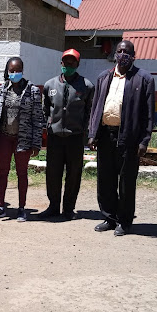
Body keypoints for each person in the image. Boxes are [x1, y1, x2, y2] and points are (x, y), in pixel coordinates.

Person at [87, 40, 155, 236]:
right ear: (115, 54)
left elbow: (148, 114)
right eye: (119, 51)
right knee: (105, 180)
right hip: (106, 136)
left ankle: (124, 222)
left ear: (134, 55)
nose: (122, 54)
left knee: (126, 182)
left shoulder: (144, 79)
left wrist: (144, 140)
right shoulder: (104, 77)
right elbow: (96, 108)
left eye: (127, 51)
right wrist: (92, 133)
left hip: (129, 139)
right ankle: (109, 217)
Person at [0, 57, 44, 222]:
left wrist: (36, 143)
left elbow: (38, 119)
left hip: (23, 139)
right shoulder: (0, 90)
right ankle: (0, 207)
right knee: (2, 172)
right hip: (3, 137)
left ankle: (22, 208)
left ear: (23, 70)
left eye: (18, 70)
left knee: (22, 173)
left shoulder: (32, 91)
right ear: (7, 71)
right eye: (12, 70)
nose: (15, 73)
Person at [37, 49, 94, 220]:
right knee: (53, 174)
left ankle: (68, 209)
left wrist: (85, 132)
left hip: (75, 138)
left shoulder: (87, 86)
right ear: (61, 63)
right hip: (54, 137)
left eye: (72, 62)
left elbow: (90, 111)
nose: (68, 65)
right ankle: (53, 206)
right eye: (65, 62)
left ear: (77, 64)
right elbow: (44, 109)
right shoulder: (50, 85)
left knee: (73, 174)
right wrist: (48, 126)